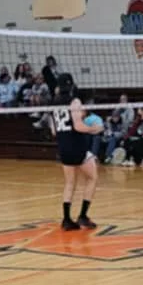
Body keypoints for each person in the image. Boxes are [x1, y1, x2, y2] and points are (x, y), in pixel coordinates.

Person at [51, 96, 100, 231]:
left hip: (63, 148)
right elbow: (78, 126)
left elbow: (54, 131)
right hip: (77, 147)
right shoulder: (74, 101)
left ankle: (66, 220)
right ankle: (83, 216)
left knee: (70, 183)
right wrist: (94, 128)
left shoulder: (53, 105)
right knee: (92, 178)